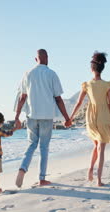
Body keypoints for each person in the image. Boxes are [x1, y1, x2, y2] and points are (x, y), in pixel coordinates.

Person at [14, 49, 71, 188]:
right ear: (47, 58)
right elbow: (58, 99)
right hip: (47, 116)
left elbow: (22, 97)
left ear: (36, 59)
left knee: (31, 144)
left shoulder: (28, 74)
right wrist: (67, 118)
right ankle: (41, 178)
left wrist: (16, 117)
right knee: (44, 147)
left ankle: (22, 168)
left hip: (32, 116)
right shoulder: (52, 74)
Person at [70, 52, 110, 187]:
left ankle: (91, 169)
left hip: (91, 117)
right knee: (101, 148)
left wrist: (71, 118)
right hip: (103, 116)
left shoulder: (86, 85)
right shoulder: (107, 85)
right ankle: (98, 180)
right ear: (102, 68)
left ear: (91, 68)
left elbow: (78, 103)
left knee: (96, 145)